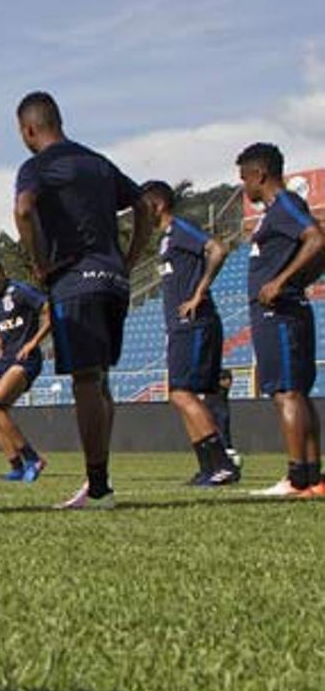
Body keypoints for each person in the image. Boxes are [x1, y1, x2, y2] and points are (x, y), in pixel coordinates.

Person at [12, 92, 149, 511]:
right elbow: (143, 203)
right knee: (100, 379)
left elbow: (22, 209)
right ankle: (99, 480)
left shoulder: (38, 166)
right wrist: (129, 259)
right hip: (113, 280)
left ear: (29, 129)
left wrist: (39, 262)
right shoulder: (98, 163)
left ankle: (99, 486)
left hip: (77, 281)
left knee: (87, 380)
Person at [235, 143, 325, 497]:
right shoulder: (277, 211)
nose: (244, 187)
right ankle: (313, 477)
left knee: (286, 393)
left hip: (280, 313)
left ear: (259, 175)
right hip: (284, 311)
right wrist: (297, 279)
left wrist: (282, 281)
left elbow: (317, 239)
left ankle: (297, 478)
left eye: (245, 179)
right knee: (296, 393)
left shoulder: (285, 205)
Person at [139, 180, 240, 487]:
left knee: (182, 393)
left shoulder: (181, 228)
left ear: (157, 205)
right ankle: (209, 466)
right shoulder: (166, 239)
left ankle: (222, 463)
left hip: (194, 324)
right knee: (182, 395)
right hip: (180, 327)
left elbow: (217, 248)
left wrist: (199, 292)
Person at [0, 252, 51, 482]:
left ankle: (33, 458)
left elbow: (49, 310)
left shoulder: (20, 291)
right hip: (7, 358)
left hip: (26, 359)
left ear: (0, 271)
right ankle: (16, 467)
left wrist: (34, 342)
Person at [205, 369, 238, 469]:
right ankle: (214, 463)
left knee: (224, 436)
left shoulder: (222, 378)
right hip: (209, 409)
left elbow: (226, 383)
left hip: (220, 410)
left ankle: (229, 461)